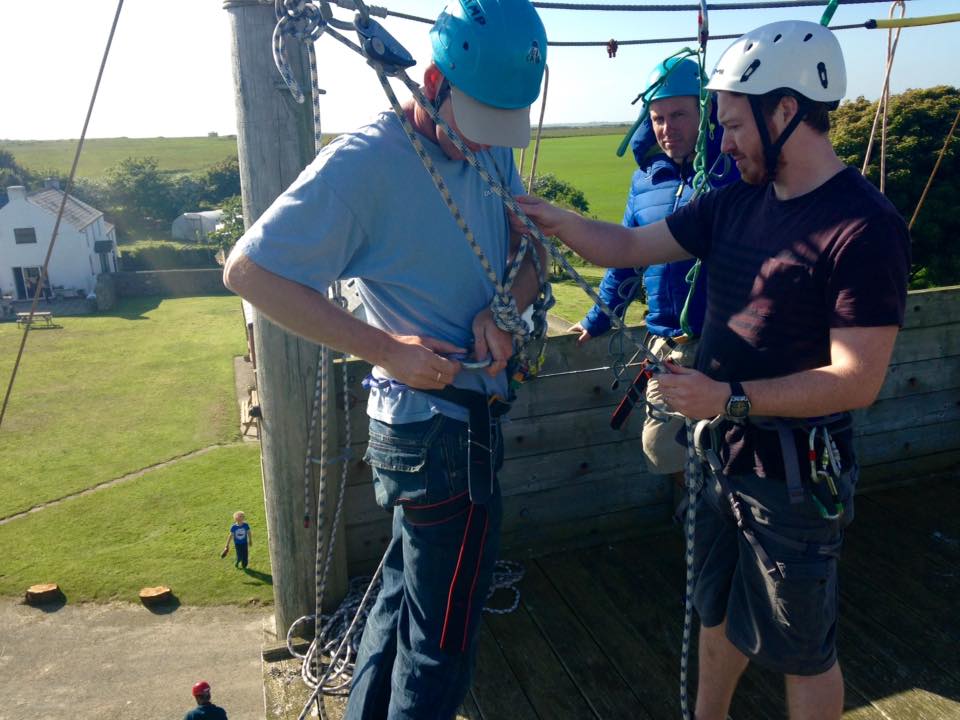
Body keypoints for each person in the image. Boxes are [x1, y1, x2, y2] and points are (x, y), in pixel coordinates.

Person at [516, 20, 910, 720]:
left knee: (802, 648)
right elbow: (632, 244)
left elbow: (858, 379)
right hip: (724, 458)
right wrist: (551, 217)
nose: (720, 144)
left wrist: (726, 398)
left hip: (793, 476)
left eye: (731, 125)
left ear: (786, 110)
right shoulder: (738, 202)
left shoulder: (864, 226)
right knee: (715, 606)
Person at [223, 0, 548, 717]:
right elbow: (248, 271)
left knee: (400, 605)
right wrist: (382, 349)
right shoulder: (367, 162)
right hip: (435, 437)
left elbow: (533, 247)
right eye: (479, 123)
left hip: (456, 426)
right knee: (441, 652)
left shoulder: (489, 140)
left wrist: (504, 307)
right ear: (432, 81)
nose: (485, 145)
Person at [570, 56, 737, 485]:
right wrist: (600, 317)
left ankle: (722, 522)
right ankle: (692, 512)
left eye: (680, 114)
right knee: (663, 446)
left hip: (727, 344)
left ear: (707, 113)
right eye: (658, 117)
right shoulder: (645, 179)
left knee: (731, 445)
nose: (668, 128)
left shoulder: (734, 169)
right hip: (666, 345)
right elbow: (628, 256)